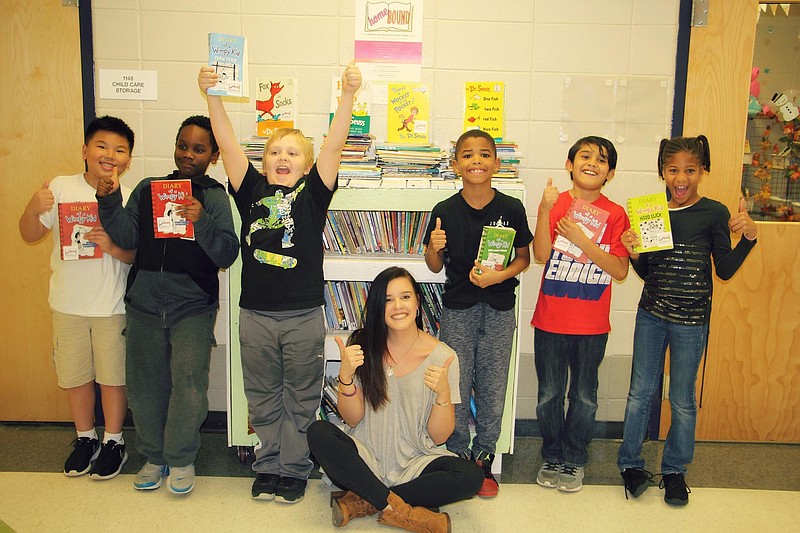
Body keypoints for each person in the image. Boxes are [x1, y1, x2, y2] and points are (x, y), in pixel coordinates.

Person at [198, 62, 362, 504]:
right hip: (254, 316)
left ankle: (294, 465)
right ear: (263, 162)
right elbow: (228, 144)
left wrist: (346, 96)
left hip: (303, 316)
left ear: (306, 167)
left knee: (301, 394)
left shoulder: (313, 195)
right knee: (263, 395)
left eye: (293, 153)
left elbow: (334, 145)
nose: (283, 158)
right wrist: (211, 95)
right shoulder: (249, 190)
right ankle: (268, 461)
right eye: (275, 152)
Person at [96, 115, 239, 495]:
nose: (188, 154)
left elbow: (227, 252)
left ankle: (180, 457)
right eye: (183, 145)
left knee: (188, 384)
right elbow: (126, 235)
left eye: (199, 148)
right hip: (144, 303)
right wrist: (108, 199)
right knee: (144, 387)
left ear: (214, 154)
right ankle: (154, 456)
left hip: (192, 305)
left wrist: (202, 220)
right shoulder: (147, 188)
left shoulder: (213, 196)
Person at [617, 135, 757, 506]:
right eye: (673, 170)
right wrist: (633, 253)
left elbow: (724, 270)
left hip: (691, 322)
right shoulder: (651, 212)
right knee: (640, 393)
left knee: (681, 399)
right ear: (662, 172)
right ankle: (630, 464)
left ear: (702, 172)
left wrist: (749, 240)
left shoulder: (713, 213)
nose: (681, 178)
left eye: (690, 170)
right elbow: (649, 272)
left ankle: (675, 471)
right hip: (651, 316)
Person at [307, 267, 483, 533]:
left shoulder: (444, 356)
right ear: (379, 306)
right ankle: (397, 509)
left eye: (405, 297)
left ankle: (367, 499)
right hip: (364, 456)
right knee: (318, 431)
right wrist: (345, 377)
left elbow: (438, 437)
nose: (397, 306)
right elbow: (352, 418)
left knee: (471, 476)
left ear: (417, 303)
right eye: (388, 299)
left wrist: (443, 395)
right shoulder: (363, 343)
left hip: (417, 459)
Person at [18, 115, 136, 480]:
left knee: (113, 377)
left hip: (111, 305)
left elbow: (136, 254)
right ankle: (85, 438)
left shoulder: (129, 197)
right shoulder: (61, 187)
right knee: (76, 375)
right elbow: (29, 234)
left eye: (120, 150)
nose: (110, 154)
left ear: (128, 160)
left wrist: (111, 246)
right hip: (67, 303)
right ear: (85, 151)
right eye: (101, 146)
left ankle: (114, 441)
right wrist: (33, 207)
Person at [423, 129, 533, 497]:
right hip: (458, 309)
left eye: (484, 154)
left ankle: (484, 455)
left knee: (492, 384)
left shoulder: (512, 207)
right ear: (455, 164)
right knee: (454, 381)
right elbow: (434, 266)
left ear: (497, 164)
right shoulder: (444, 211)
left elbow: (524, 258)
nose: (476, 161)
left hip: (500, 309)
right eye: (467, 155)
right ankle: (456, 452)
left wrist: (499, 276)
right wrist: (434, 248)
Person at [530, 136, 630, 492]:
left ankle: (574, 460)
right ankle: (552, 455)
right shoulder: (557, 204)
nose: (592, 163)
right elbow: (541, 254)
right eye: (584, 156)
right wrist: (544, 210)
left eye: (601, 160)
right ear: (569, 164)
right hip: (550, 320)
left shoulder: (616, 213)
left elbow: (620, 271)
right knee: (549, 396)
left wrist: (582, 240)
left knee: (585, 397)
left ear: (611, 173)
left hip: (592, 325)